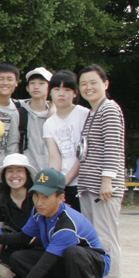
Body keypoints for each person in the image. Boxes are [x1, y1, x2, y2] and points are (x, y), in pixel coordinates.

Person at [0, 168, 110, 278]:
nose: (39, 202)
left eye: (45, 197)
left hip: (93, 263)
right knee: (18, 258)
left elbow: (45, 264)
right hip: (65, 260)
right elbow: (23, 237)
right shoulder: (38, 212)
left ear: (61, 198)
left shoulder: (67, 225)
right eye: (36, 195)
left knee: (73, 252)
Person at [76, 64, 125, 278]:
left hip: (103, 187)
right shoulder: (92, 112)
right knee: (93, 240)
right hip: (88, 186)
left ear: (105, 84)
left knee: (106, 239)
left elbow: (113, 147)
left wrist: (107, 180)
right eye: (83, 84)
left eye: (93, 82)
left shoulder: (110, 109)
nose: (88, 87)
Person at [44, 70, 89, 211]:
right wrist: (55, 184)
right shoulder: (49, 123)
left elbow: (84, 153)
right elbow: (54, 157)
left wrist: (67, 179)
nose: (61, 94)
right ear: (50, 92)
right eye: (57, 89)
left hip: (83, 183)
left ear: (75, 93)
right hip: (63, 185)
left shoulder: (84, 115)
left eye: (67, 90)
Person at [0, 154, 37, 267]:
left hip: (37, 249)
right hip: (11, 250)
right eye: (10, 171)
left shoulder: (37, 197)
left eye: (19, 171)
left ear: (27, 174)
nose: (15, 175)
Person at [0, 62, 26, 168]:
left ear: (16, 83)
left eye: (10, 79)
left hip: (5, 166)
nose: (5, 83)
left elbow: (13, 143)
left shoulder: (18, 108)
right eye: (1, 79)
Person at [18, 67, 55, 177]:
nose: (36, 86)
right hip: (26, 173)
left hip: (50, 172)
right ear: (27, 88)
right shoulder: (19, 111)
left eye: (41, 83)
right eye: (32, 83)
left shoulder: (57, 114)